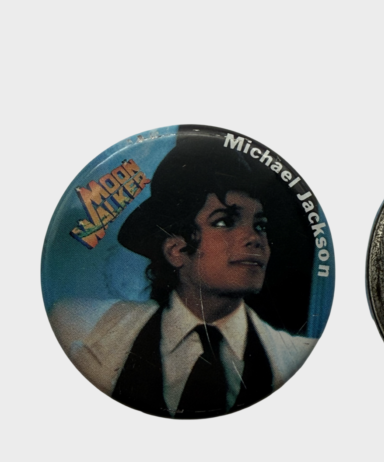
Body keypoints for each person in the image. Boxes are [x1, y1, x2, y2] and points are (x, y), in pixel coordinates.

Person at [50, 133, 316, 419]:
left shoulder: (300, 356)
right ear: (176, 250)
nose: (254, 238)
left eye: (260, 225)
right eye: (224, 222)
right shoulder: (78, 329)